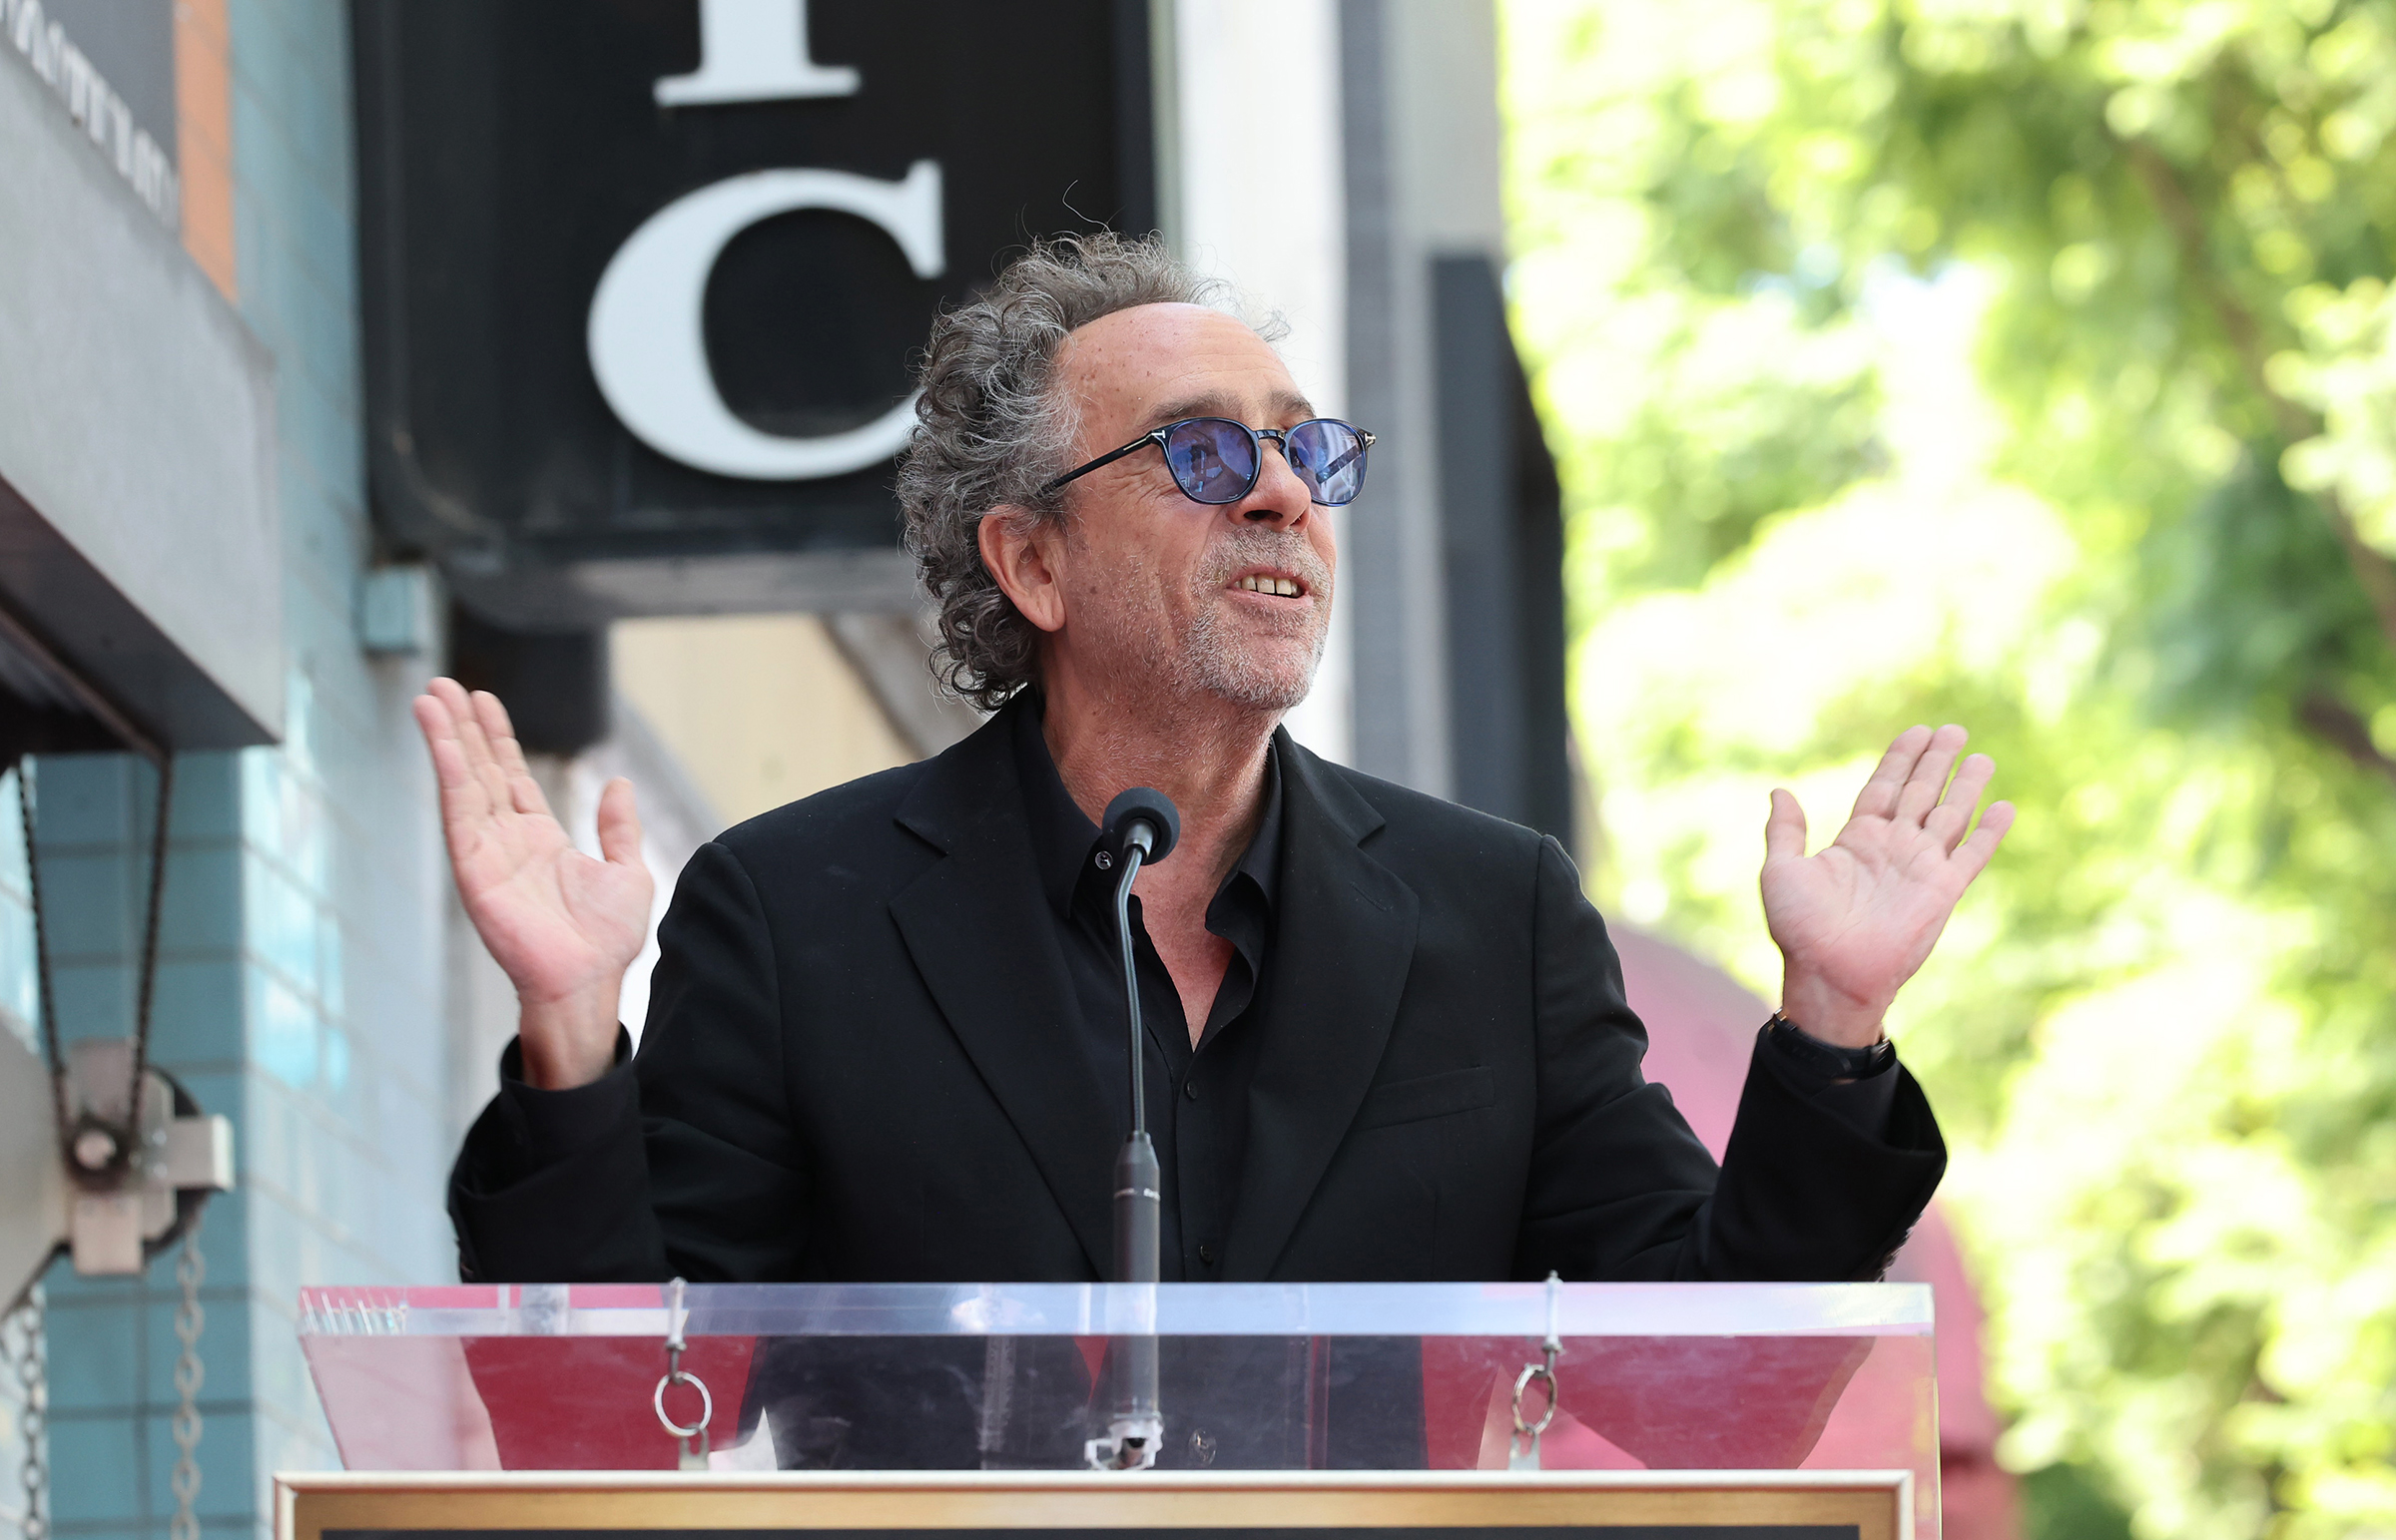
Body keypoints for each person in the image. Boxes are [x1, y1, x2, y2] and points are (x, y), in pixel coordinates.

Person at [423, 234, 2012, 1293]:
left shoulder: (1492, 916)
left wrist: (1832, 1029)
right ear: (1031, 563)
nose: (1277, 494)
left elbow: (1704, 1373)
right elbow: (633, 1415)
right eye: (1197, 452)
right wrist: (572, 1035)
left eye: (1304, 447)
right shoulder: (792, 913)